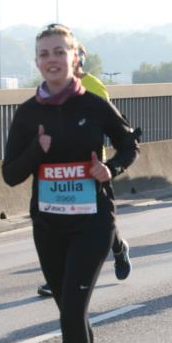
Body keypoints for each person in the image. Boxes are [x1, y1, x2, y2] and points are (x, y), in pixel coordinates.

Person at [2, 24, 139, 343]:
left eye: (59, 51)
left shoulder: (95, 106)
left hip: (92, 222)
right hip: (49, 225)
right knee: (70, 312)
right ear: (37, 62)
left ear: (75, 56)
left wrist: (109, 169)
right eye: (43, 54)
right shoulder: (27, 114)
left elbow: (129, 144)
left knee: (71, 313)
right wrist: (37, 151)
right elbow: (11, 175)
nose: (51, 60)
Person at [37, 44, 133, 298]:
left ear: (78, 60)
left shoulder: (95, 87)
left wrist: (111, 162)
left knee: (100, 222)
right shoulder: (48, 90)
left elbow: (112, 126)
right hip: (58, 170)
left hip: (92, 169)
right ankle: (58, 277)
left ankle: (118, 248)